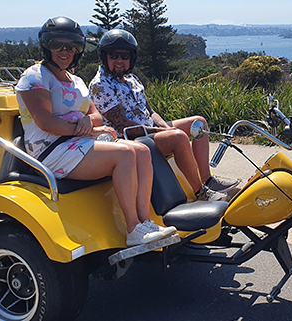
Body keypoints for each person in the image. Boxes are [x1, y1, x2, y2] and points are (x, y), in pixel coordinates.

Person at [15, 16, 175, 246]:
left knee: (141, 150)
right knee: (125, 154)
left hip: (76, 144)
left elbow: (96, 115)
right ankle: (133, 228)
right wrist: (84, 129)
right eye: (57, 45)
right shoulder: (35, 76)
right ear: (46, 46)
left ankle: (145, 221)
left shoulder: (76, 80)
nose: (64, 51)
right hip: (51, 149)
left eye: (71, 46)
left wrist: (88, 122)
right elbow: (46, 122)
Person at [89, 29, 238, 202]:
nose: (119, 61)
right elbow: (123, 125)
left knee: (198, 123)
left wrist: (165, 128)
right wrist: (163, 133)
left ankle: (207, 179)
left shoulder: (132, 79)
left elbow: (150, 111)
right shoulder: (100, 85)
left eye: (125, 56)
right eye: (114, 56)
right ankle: (200, 192)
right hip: (128, 140)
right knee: (179, 138)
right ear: (104, 57)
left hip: (148, 131)